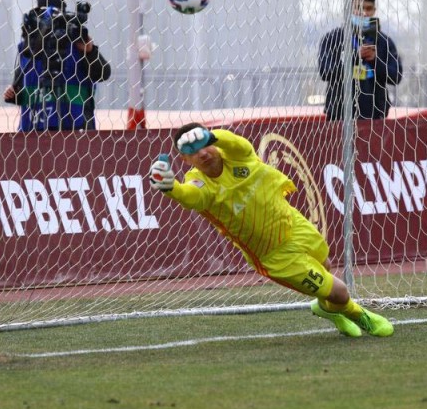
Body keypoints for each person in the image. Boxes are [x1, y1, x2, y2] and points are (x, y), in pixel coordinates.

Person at [147, 124, 394, 338]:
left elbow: (238, 144)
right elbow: (190, 197)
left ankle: (326, 309)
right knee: (340, 291)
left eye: (205, 144)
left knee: (326, 265)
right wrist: (171, 189)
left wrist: (210, 135)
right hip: (274, 256)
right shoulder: (201, 185)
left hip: (293, 224)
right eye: (192, 152)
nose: (202, 153)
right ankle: (359, 315)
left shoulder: (239, 156)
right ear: (185, 160)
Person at [2, 0, 111, 131]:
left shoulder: (76, 43)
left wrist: (89, 52)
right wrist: (13, 95)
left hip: (74, 131)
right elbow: (22, 88)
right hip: (35, 130)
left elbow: (103, 73)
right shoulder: (29, 48)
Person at [318, 0, 402, 121]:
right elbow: (325, 72)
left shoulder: (383, 42)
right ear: (348, 10)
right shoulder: (332, 39)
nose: (363, 13)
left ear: (374, 11)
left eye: (368, 8)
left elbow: (396, 76)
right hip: (340, 114)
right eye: (358, 7)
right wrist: (355, 57)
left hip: (375, 115)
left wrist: (375, 60)